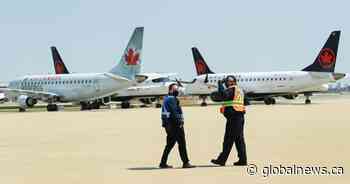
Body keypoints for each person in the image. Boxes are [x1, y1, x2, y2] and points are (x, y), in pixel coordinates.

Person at [210, 75, 247, 166]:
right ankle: (242, 160)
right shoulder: (239, 90)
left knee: (228, 140)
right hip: (239, 116)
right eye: (226, 81)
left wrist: (219, 85)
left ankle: (222, 160)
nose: (226, 83)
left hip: (234, 118)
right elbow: (245, 101)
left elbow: (223, 95)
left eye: (228, 81)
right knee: (239, 140)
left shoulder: (232, 89)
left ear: (233, 82)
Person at [159, 83, 195, 169]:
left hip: (170, 125)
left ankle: (163, 163)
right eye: (175, 89)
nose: (177, 91)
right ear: (170, 90)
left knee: (169, 145)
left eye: (177, 89)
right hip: (175, 125)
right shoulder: (171, 100)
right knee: (182, 144)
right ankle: (185, 162)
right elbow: (174, 113)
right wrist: (179, 123)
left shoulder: (168, 99)